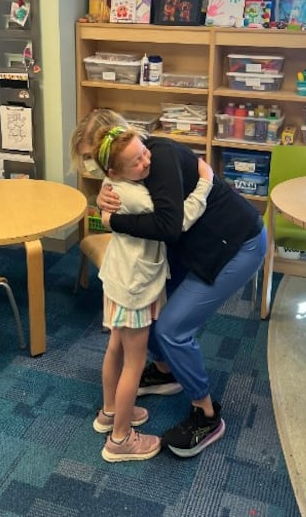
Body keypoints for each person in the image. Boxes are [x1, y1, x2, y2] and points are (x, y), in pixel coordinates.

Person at [70, 109, 267, 458]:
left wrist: (112, 219)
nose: (95, 167)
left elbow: (167, 226)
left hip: (233, 243)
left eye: (95, 156)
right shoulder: (126, 166)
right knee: (155, 317)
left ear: (122, 136)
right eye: (92, 160)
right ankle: (164, 372)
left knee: (171, 329)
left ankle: (206, 413)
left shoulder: (154, 160)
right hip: (190, 244)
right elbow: (133, 198)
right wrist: (104, 196)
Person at [88, 123, 214, 463]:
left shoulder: (114, 184)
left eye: (145, 153)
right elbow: (177, 221)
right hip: (135, 287)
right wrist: (204, 184)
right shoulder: (139, 197)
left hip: (118, 279)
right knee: (133, 363)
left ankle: (110, 412)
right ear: (115, 171)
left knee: (115, 345)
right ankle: (120, 440)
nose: (147, 163)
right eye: (137, 162)